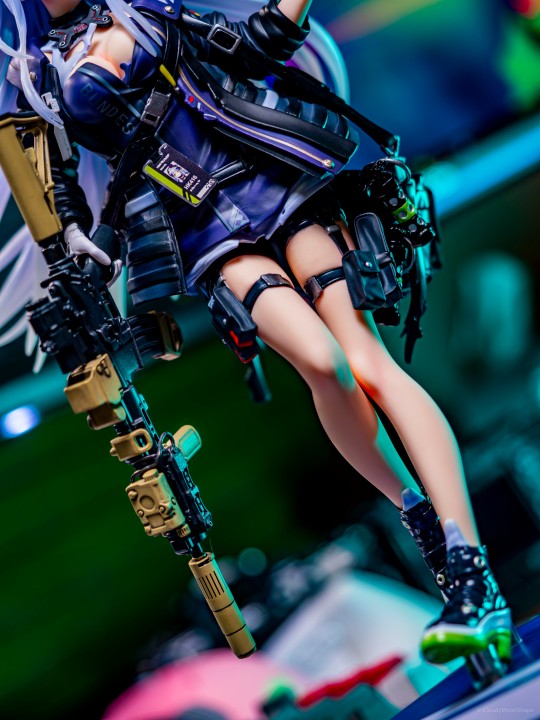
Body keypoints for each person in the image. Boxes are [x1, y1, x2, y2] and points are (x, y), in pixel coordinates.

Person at [0, 0, 511, 668]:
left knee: (367, 361)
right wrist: (73, 235)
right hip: (203, 231)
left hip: (276, 181)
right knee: (323, 366)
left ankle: (469, 565)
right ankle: (418, 514)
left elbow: (252, 45)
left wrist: (288, 12)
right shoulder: (37, 75)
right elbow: (58, 180)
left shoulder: (147, 9)